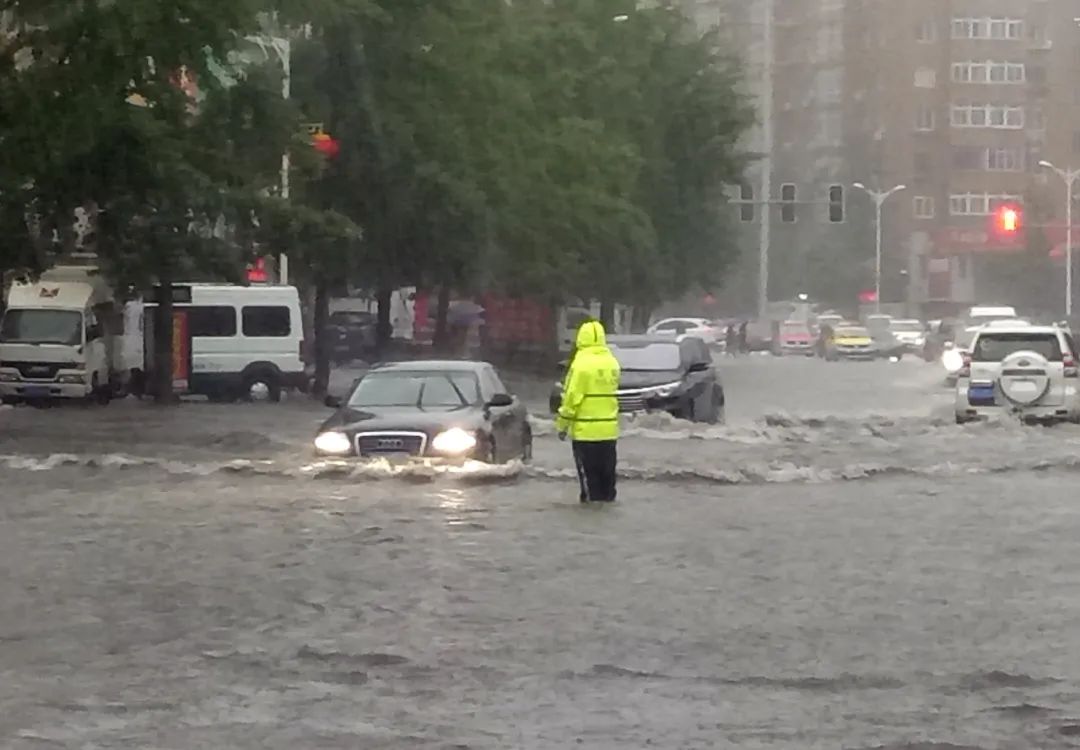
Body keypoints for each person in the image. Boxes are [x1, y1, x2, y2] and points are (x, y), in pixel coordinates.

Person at [556, 320, 621, 503]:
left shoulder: (580, 365)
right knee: (608, 483)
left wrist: (562, 425)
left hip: (585, 434)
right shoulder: (612, 363)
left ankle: (589, 527)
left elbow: (571, 398)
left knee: (590, 486)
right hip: (609, 433)